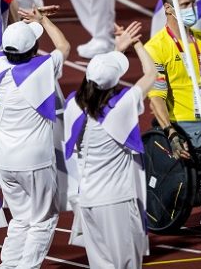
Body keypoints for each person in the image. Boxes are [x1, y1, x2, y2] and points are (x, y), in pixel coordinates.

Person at [63, 20, 156, 268]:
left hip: (88, 201)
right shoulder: (121, 106)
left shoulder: (74, 104)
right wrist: (135, 43)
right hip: (117, 202)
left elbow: (101, 76)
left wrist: (117, 49)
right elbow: (152, 73)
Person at [0, 6, 71, 269]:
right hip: (35, 160)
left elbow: (10, 47)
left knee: (20, 219)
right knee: (43, 219)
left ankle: (8, 265)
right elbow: (64, 46)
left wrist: (22, 27)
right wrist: (42, 19)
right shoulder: (44, 67)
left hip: (5, 160)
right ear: (33, 50)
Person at [144, 0, 201, 158]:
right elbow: (156, 96)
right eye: (185, 4)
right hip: (185, 126)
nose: (191, 8)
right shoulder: (156, 48)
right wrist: (171, 132)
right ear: (168, 8)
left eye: (193, 2)